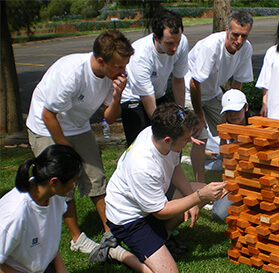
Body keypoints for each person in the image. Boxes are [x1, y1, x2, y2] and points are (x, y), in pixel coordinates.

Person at [89, 103, 227, 273]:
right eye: (186, 138)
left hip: (152, 198)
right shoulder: (142, 166)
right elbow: (160, 212)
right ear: (168, 139)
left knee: (199, 189)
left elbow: (175, 166)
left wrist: (193, 198)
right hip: (129, 217)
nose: (189, 141)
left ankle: (164, 236)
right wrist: (197, 198)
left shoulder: (158, 134)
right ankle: (115, 252)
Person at [25, 31, 134, 254]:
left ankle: (110, 230)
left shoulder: (110, 77)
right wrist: (66, 151)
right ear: (101, 61)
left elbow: (109, 117)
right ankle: (76, 238)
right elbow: (48, 115)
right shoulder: (73, 74)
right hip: (45, 124)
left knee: (97, 177)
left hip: (77, 124)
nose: (123, 71)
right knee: (62, 181)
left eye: (125, 65)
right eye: (119, 66)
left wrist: (117, 95)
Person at [0, 145, 94, 273]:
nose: (74, 186)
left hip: (37, 266)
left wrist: (62, 270)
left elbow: (46, 237)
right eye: (73, 181)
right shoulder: (15, 215)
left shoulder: (54, 194)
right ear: (54, 181)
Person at [185, 10, 254, 183]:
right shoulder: (211, 47)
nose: (239, 41)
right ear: (226, 30)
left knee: (231, 130)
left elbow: (238, 83)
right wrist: (200, 117)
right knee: (200, 137)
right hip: (191, 91)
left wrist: (233, 106)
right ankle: (199, 185)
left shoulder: (246, 49)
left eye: (244, 36)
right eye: (235, 35)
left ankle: (233, 173)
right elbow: (195, 83)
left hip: (213, 92)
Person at [120, 9, 189, 146]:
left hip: (158, 94)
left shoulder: (182, 43)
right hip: (134, 99)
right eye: (169, 43)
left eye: (178, 42)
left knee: (173, 141)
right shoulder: (140, 55)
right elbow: (147, 98)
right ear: (156, 38)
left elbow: (178, 80)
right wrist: (166, 128)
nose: (175, 48)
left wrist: (180, 114)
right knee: (143, 145)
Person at [211, 89, 253, 222]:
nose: (232, 115)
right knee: (219, 214)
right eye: (228, 112)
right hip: (235, 177)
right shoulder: (226, 130)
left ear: (246, 107)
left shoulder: (257, 126)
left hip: (256, 177)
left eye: (236, 110)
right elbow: (225, 161)